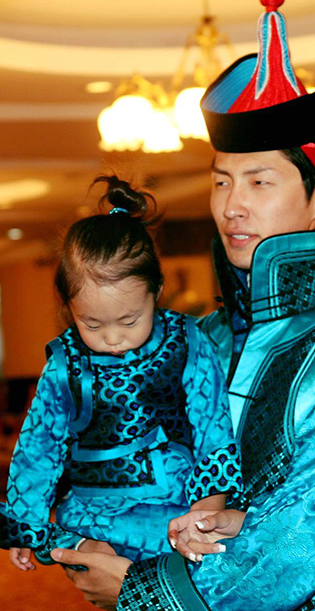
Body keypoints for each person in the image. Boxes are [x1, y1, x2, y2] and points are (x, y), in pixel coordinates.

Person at [52, 0, 315, 611]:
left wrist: (141, 592)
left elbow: (314, 538)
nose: (232, 206)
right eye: (221, 180)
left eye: (259, 180)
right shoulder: (194, 338)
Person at [0, 175, 240, 569]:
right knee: (75, 544)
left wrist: (207, 510)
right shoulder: (66, 362)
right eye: (91, 325)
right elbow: (39, 446)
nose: (113, 338)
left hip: (173, 506)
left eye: (130, 320)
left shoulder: (188, 342)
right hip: (93, 511)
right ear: (70, 308)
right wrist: (24, 523)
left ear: (156, 291)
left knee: (208, 556)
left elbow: (213, 428)